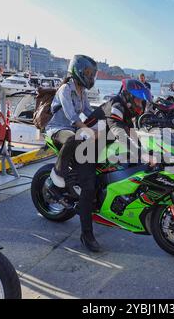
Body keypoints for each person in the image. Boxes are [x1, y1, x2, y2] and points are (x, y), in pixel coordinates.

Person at [45, 55, 101, 252]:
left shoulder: (82, 91)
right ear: (77, 71)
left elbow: (88, 111)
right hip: (58, 129)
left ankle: (88, 229)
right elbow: (72, 116)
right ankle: (56, 176)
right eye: (87, 73)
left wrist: (104, 120)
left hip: (76, 132)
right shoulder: (65, 89)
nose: (90, 77)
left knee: (90, 181)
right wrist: (87, 129)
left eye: (92, 74)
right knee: (72, 136)